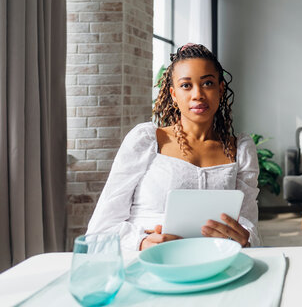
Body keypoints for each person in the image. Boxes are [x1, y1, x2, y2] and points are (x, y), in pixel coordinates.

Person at [87, 43, 260, 250]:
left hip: (213, 262)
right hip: (148, 263)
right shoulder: (146, 141)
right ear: (174, 94)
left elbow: (250, 227)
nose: (198, 94)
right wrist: (141, 242)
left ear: (220, 89)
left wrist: (245, 239)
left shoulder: (240, 150)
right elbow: (99, 231)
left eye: (207, 83)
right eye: (186, 85)